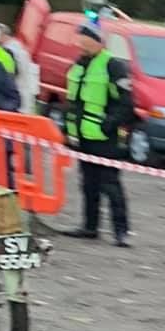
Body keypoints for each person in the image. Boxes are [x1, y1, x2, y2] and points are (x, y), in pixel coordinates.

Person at [60, 21, 133, 247]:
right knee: (88, 184)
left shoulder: (113, 66)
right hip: (83, 137)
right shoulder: (79, 64)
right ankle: (89, 227)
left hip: (105, 139)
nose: (81, 46)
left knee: (111, 185)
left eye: (85, 42)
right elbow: (72, 100)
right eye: (80, 42)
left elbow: (126, 104)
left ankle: (121, 231)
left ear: (98, 42)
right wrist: (68, 128)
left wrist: (107, 126)